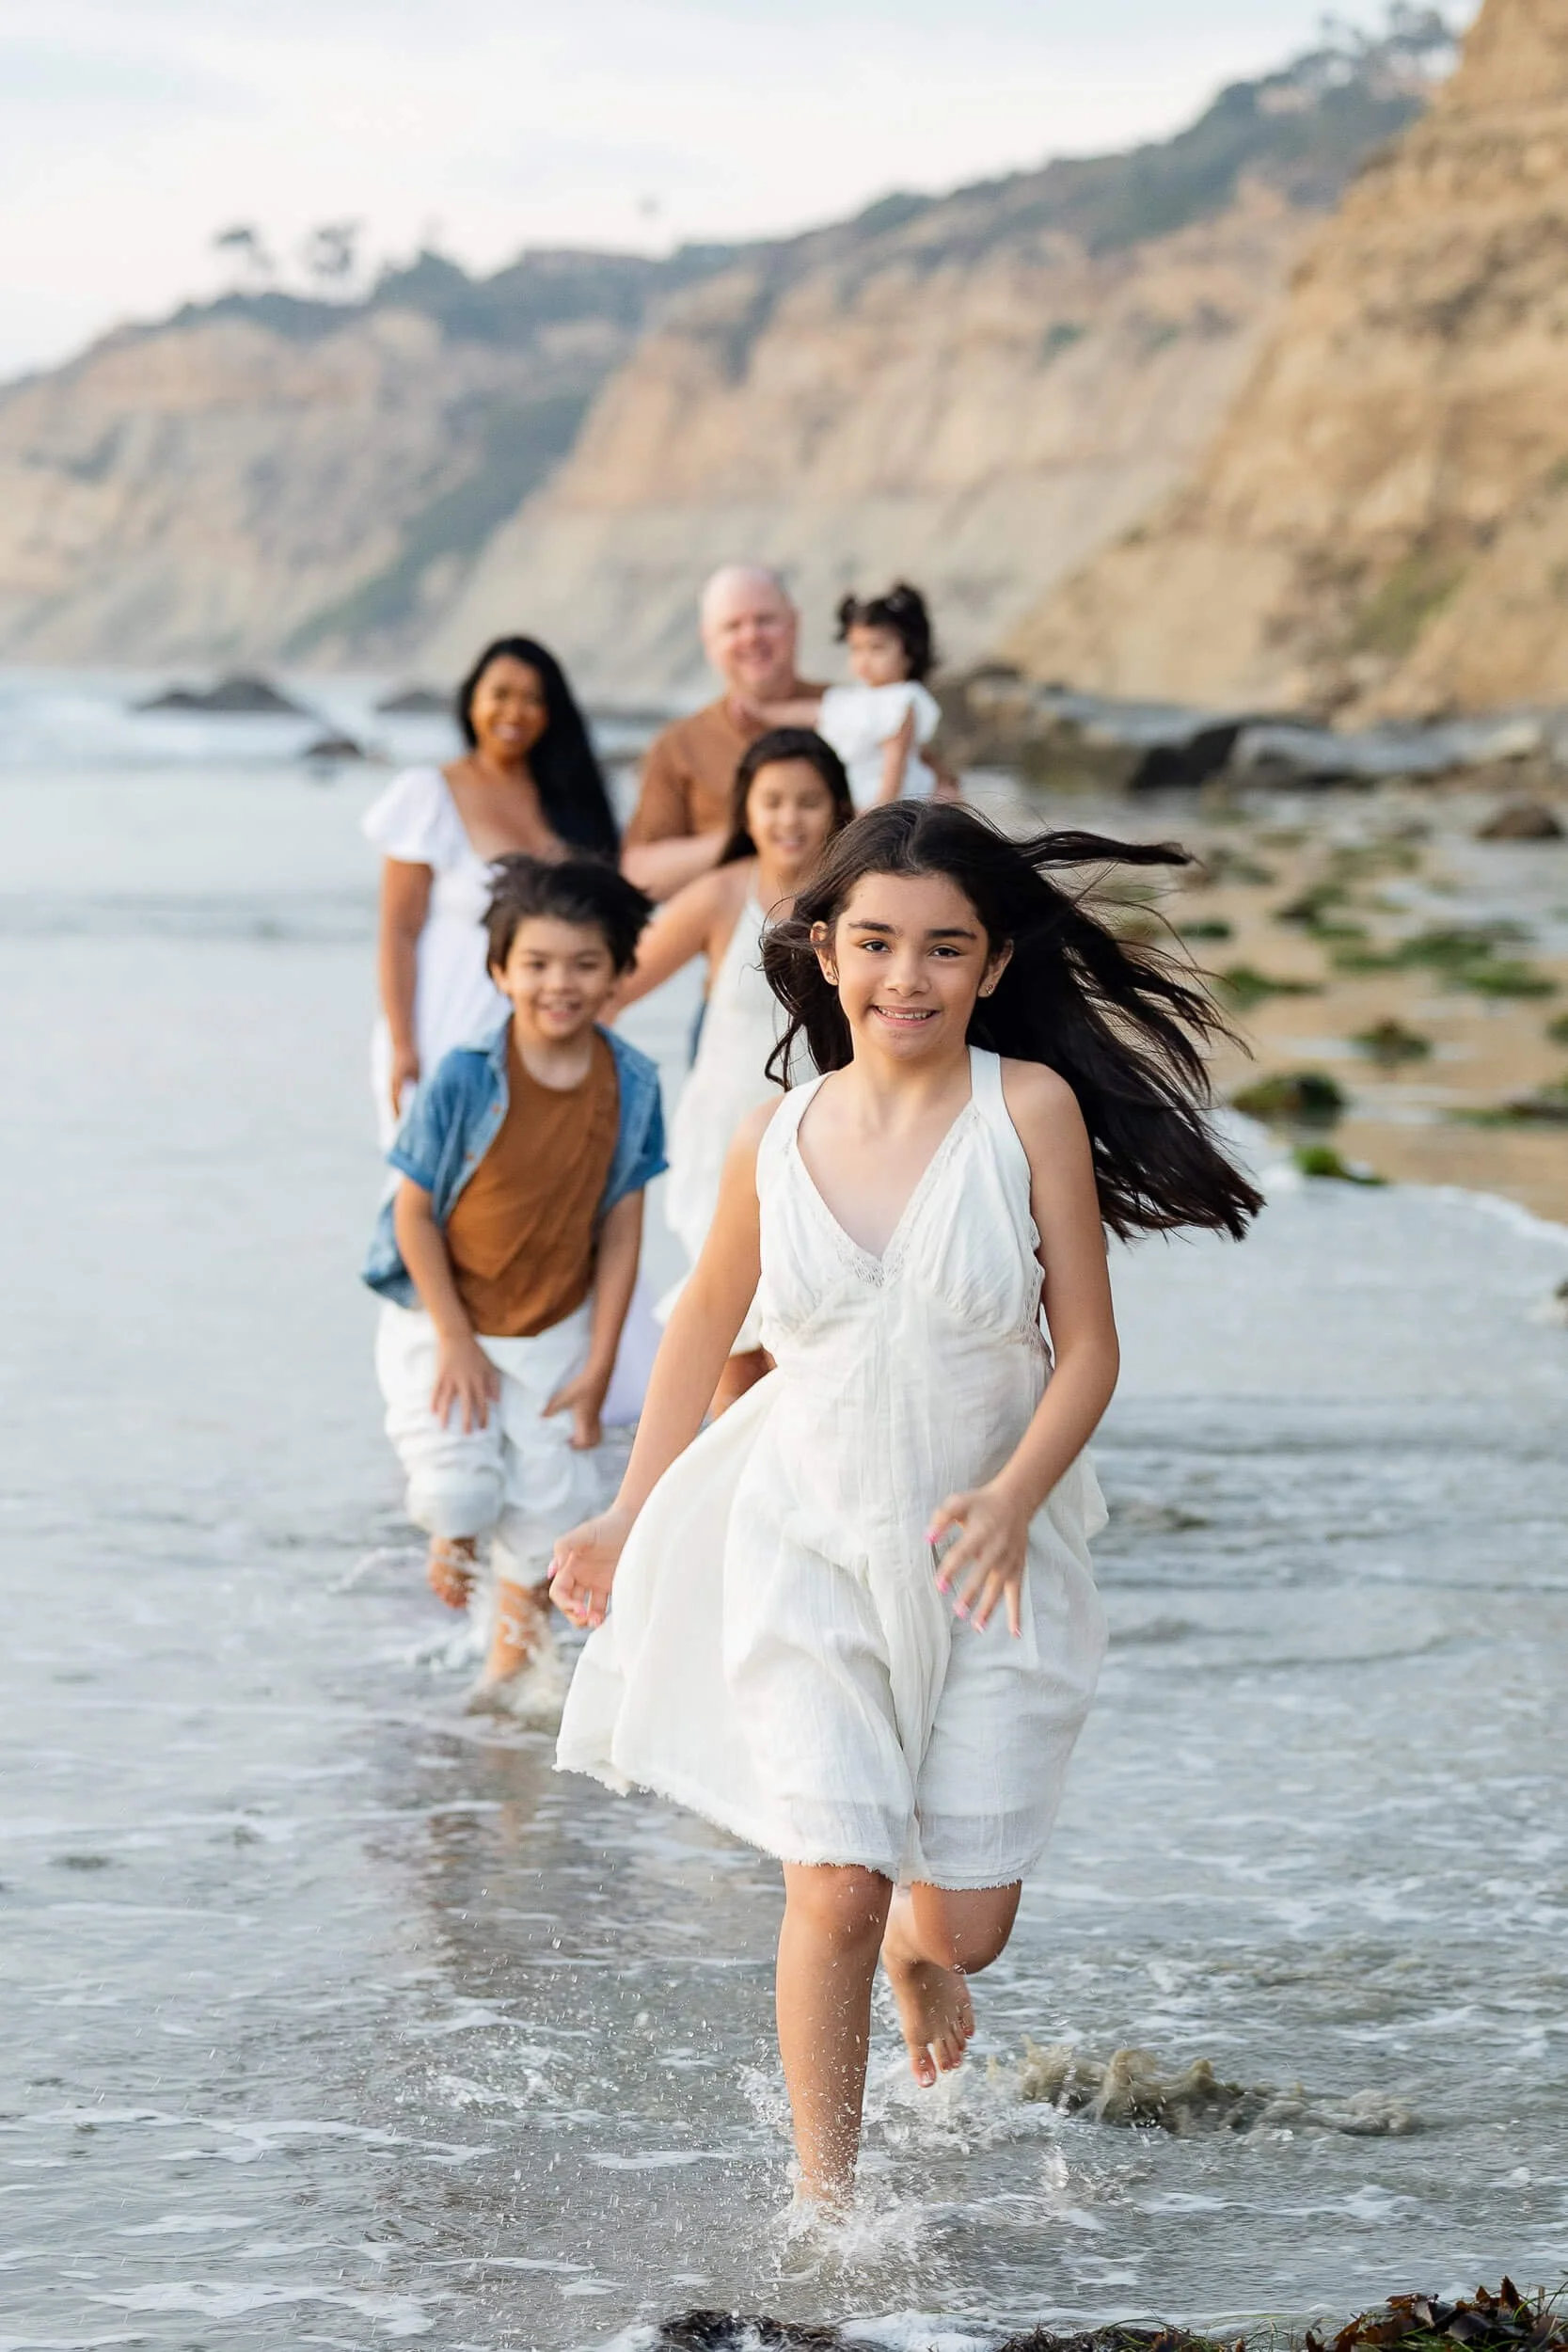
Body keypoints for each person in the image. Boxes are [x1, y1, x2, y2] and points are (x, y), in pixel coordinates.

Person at [548, 803, 1262, 2203]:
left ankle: (916, 1956)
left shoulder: (1028, 1111)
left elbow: (1090, 1350)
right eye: (873, 942)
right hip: (803, 1541)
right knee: (833, 1875)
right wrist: (627, 1515)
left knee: (966, 1925)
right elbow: (701, 1324)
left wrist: (1008, 1499)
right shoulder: (775, 1130)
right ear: (823, 952)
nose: (906, 977)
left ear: (992, 966)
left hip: (983, 1561)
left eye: (943, 949)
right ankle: (830, 2213)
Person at [362, 856, 665, 1718]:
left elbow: (621, 1227)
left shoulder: (631, 1082)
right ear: (499, 971)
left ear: (617, 973)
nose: (557, 984)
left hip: (555, 1326)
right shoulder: (465, 1076)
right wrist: (456, 1340)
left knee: (547, 1516)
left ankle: (503, 1685)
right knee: (459, 1486)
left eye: (582, 964)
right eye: (535, 964)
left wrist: (603, 1355)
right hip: (441, 1315)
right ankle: (451, 1536)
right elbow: (414, 1215)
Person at [615, 728, 854, 1414]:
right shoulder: (723, 895)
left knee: (802, 1344)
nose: (788, 818)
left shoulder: (860, 901)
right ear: (744, 810)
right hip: (722, 1148)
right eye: (770, 800)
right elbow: (610, 991)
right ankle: (728, 1510)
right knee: (731, 1346)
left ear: (837, 807)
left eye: (807, 801)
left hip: (826, 1146)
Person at [363, 635, 620, 1143]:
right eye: (500, 694)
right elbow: (399, 931)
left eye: (532, 698)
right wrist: (403, 1045)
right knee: (431, 1198)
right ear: (472, 700)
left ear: (552, 713)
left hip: (552, 1034)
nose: (514, 711)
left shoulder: (572, 804)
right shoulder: (430, 793)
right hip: (447, 1025)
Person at [620, 567, 825, 903]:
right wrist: (753, 833)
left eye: (765, 620)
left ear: (794, 624)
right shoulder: (679, 744)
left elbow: (937, 800)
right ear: (709, 642)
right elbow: (640, 874)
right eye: (733, 626)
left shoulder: (857, 712)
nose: (751, 636)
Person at [749, 583, 944, 810]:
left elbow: (895, 765)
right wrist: (762, 713)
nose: (864, 659)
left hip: (888, 804)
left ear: (910, 652)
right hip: (853, 799)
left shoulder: (901, 702)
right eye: (856, 648)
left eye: (877, 648)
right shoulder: (854, 699)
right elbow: (811, 713)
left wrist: (880, 810)